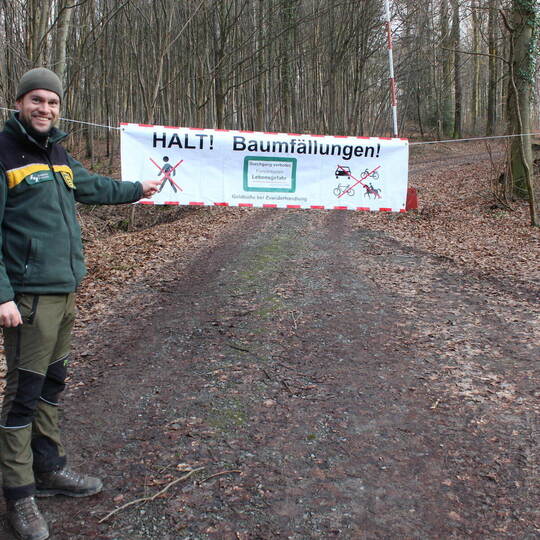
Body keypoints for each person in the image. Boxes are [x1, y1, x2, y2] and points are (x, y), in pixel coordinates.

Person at [0, 67, 160, 540]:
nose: (44, 108)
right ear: (19, 103)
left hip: (65, 291)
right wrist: (3, 295)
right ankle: (19, 494)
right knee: (23, 396)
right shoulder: (4, 152)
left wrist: (138, 189)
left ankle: (48, 469)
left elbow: (93, 186)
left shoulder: (57, 153)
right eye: (36, 100)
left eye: (52, 102)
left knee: (52, 384)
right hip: (28, 298)